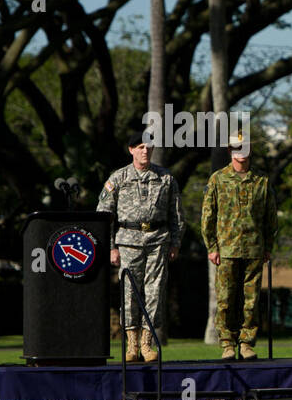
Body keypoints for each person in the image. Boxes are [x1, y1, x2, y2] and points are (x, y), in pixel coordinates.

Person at [97, 130, 184, 362]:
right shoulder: (119, 178)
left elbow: (176, 214)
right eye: (140, 147)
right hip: (128, 241)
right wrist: (111, 247)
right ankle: (131, 344)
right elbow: (104, 214)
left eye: (148, 147)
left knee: (155, 292)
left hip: (157, 240)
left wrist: (175, 242)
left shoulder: (166, 178)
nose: (145, 151)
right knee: (129, 291)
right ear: (131, 150)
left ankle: (147, 342)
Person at [201, 134, 278, 360]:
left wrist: (268, 246)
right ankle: (227, 344)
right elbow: (208, 215)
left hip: (254, 249)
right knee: (226, 299)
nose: (240, 152)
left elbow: (270, 219)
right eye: (236, 148)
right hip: (226, 250)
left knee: (251, 301)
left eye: (244, 148)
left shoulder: (261, 181)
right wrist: (211, 246)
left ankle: (246, 343)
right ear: (230, 152)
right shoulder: (218, 179)